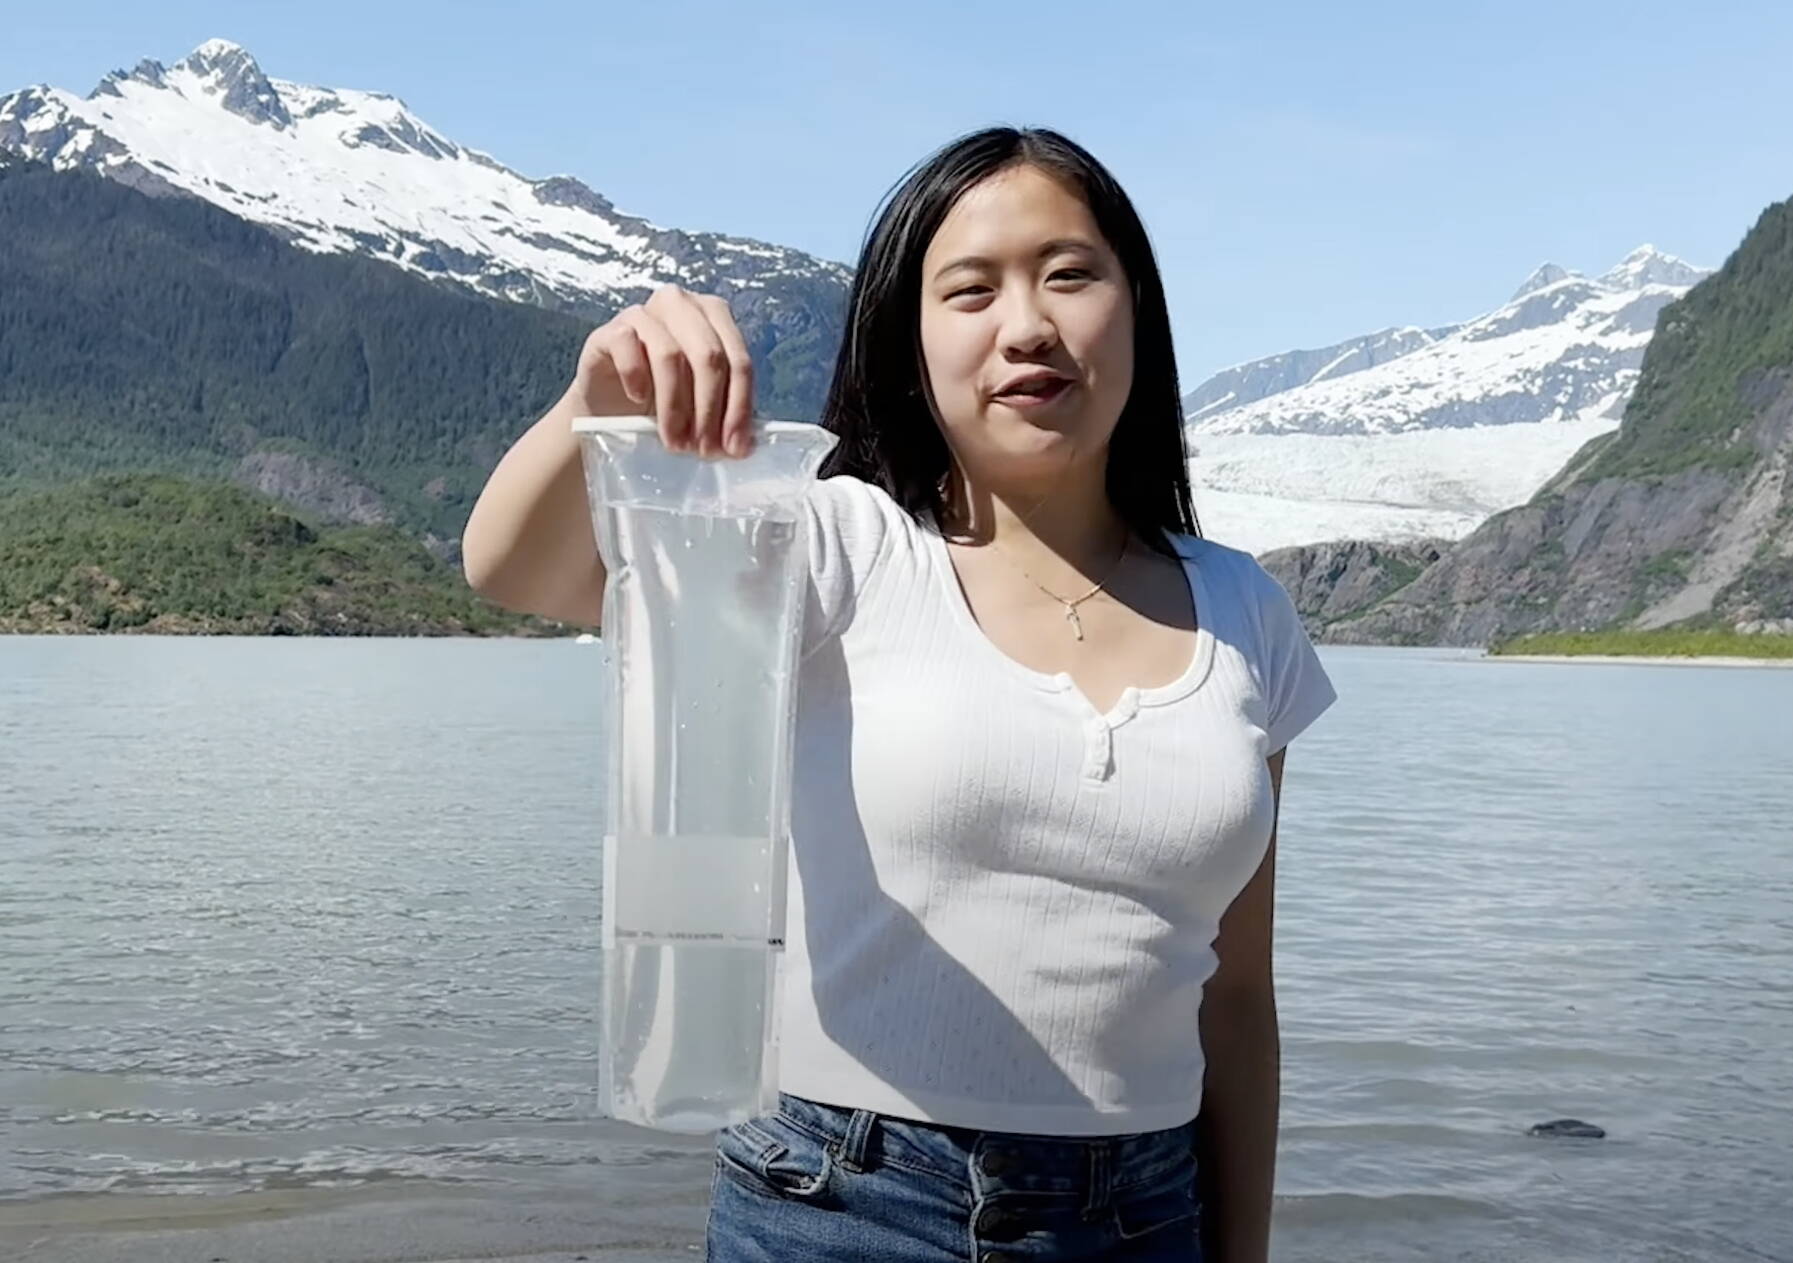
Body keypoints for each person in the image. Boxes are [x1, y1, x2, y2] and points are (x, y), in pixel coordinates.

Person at [462, 125, 1337, 1262]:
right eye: (968, 291)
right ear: (911, 343)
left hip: (1144, 1211)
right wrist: (595, 398)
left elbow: (1238, 1001)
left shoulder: (1246, 614)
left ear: (1137, 308)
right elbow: (517, 568)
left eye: (1070, 274)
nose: (1027, 325)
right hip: (843, 1201)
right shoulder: (835, 544)